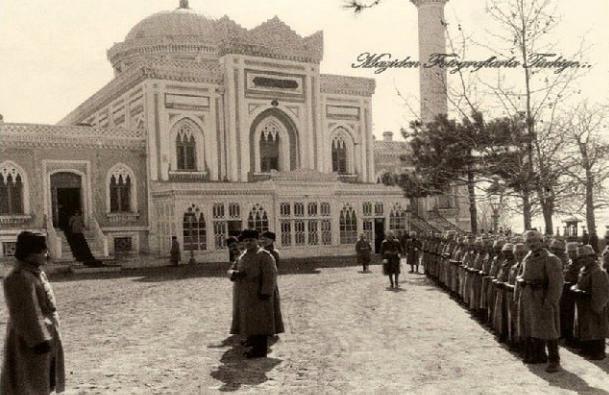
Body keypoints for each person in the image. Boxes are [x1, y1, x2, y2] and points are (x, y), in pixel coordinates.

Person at [1, 231, 65, 394]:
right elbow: (25, 312)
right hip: (30, 342)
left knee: (42, 382)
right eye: (42, 251)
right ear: (30, 253)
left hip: (46, 337)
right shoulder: (18, 277)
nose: (46, 254)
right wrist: (39, 341)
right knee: (28, 383)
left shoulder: (35, 273)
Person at [517, 230, 564, 373]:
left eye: (535, 241)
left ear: (541, 241)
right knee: (533, 327)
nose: (531, 244)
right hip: (529, 298)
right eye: (529, 242)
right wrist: (521, 282)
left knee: (549, 330)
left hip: (543, 298)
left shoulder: (551, 259)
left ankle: (554, 360)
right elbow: (521, 274)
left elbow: (556, 284)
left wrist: (550, 302)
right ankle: (539, 356)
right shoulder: (527, 258)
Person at [230, 229, 280, 358]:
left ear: (257, 240)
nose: (248, 243)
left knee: (260, 322)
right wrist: (233, 274)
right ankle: (252, 340)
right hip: (245, 295)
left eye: (251, 240)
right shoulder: (243, 255)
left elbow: (271, 275)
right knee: (249, 320)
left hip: (259, 294)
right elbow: (232, 268)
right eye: (246, 241)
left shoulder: (264, 255)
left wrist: (266, 292)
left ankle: (260, 350)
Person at [571, 245, 609, 360]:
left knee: (597, 328)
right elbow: (580, 283)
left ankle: (599, 352)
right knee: (586, 327)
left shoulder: (598, 271)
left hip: (594, 303)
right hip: (584, 304)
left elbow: (600, 292)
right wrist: (575, 288)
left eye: (585, 257)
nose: (583, 260)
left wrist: (598, 307)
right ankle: (588, 349)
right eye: (581, 258)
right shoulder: (584, 270)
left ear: (592, 257)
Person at [259, 231, 285, 338]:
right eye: (263, 238)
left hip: (270, 282)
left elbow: (274, 269)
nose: (264, 241)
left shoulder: (274, 252)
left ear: (272, 240)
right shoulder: (261, 251)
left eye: (267, 239)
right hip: (261, 282)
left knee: (271, 306)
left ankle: (271, 329)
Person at [560, 242, 581, 346]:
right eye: (569, 252)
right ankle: (567, 336)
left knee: (574, 315)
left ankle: (574, 338)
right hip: (566, 291)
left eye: (573, 252)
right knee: (566, 314)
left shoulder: (580, 263)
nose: (571, 254)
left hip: (574, 292)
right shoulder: (569, 262)